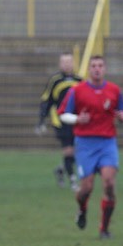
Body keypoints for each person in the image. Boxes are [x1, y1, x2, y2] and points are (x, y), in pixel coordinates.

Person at [58, 55, 123, 239]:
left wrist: (121, 117)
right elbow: (63, 114)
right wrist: (77, 119)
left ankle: (104, 230)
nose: (97, 69)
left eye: (100, 66)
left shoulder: (114, 90)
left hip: (107, 143)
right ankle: (82, 209)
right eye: (94, 66)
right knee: (86, 188)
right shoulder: (78, 91)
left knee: (109, 183)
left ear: (105, 69)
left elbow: (122, 111)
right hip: (85, 144)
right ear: (89, 70)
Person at [36, 52, 82, 191]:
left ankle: (61, 170)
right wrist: (41, 121)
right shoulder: (55, 80)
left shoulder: (79, 80)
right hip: (59, 120)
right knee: (68, 150)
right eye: (64, 62)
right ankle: (73, 181)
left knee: (74, 152)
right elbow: (46, 100)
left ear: (73, 63)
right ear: (60, 64)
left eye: (69, 61)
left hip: (75, 120)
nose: (67, 64)